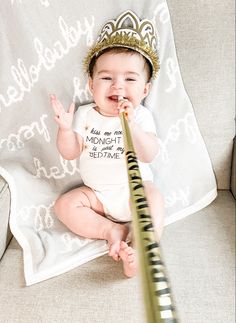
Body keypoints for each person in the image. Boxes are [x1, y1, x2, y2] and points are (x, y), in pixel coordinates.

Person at [50, 10, 165, 278]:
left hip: (134, 191)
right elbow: (70, 153)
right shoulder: (85, 114)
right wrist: (66, 129)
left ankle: (141, 250)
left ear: (145, 89)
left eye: (130, 79)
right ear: (91, 84)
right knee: (64, 205)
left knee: (155, 198)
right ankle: (111, 231)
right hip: (97, 196)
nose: (118, 86)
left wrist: (132, 125)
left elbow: (150, 154)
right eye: (106, 77)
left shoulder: (142, 117)